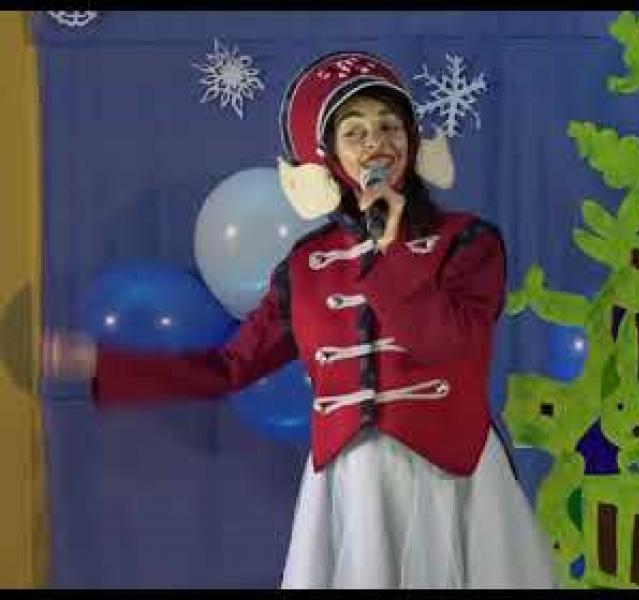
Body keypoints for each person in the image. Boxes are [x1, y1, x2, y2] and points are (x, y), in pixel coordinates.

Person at [43, 50, 556, 589]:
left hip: (452, 480)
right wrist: (105, 367)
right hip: (353, 488)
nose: (376, 142)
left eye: (389, 125)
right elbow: (228, 368)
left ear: (410, 137)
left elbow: (449, 343)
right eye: (354, 132)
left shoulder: (468, 242)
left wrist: (389, 255)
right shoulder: (306, 266)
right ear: (330, 157)